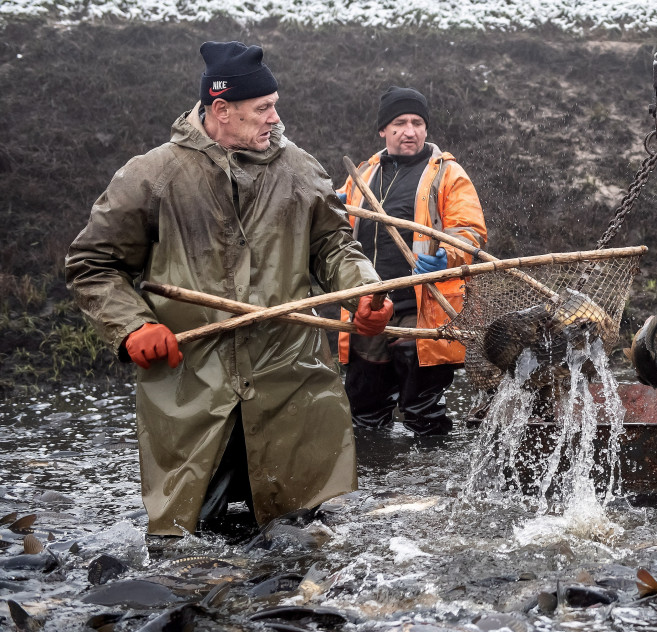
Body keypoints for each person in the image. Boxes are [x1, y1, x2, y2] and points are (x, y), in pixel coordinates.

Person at [65, 41, 394, 537]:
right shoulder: (153, 176)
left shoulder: (300, 170)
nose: (274, 118)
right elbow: (93, 264)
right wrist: (133, 326)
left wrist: (363, 292)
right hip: (193, 386)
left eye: (274, 106)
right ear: (221, 110)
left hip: (290, 382)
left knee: (299, 545)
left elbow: (335, 248)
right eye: (263, 108)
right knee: (189, 554)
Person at [337, 86, 487, 437]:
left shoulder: (448, 174)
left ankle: (434, 485)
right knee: (365, 412)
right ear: (383, 130)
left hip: (422, 308)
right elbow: (340, 235)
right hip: (369, 306)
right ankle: (372, 483)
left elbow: (471, 232)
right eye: (400, 123)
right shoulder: (363, 174)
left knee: (422, 412)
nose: (410, 131)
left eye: (418, 122)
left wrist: (445, 257)